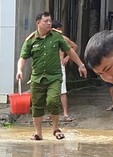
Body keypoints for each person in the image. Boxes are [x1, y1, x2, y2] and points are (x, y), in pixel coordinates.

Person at [16, 12, 88, 140]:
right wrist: (19, 70)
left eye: (50, 21)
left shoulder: (57, 37)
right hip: (37, 78)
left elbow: (70, 51)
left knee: (53, 101)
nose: (49, 23)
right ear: (38, 23)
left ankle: (56, 129)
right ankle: (38, 133)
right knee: (37, 105)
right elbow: (23, 57)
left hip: (54, 77)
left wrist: (81, 65)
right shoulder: (31, 40)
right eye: (46, 21)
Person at [53, 21, 79, 123]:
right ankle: (54, 113)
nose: (60, 31)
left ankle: (65, 113)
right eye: (58, 29)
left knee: (62, 91)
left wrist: (67, 57)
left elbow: (74, 46)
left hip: (60, 65)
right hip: (50, 66)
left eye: (60, 29)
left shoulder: (63, 38)